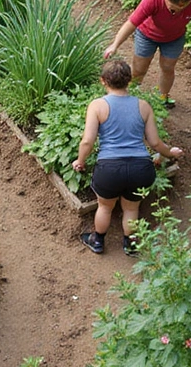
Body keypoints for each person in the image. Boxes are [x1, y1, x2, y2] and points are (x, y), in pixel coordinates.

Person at [72, 59, 184, 255]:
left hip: (109, 169)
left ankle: (97, 241)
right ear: (129, 80)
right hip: (141, 169)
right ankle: (131, 244)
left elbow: (87, 142)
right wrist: (171, 153)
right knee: (132, 208)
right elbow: (155, 143)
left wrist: (80, 161)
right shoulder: (143, 106)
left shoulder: (97, 106)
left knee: (105, 207)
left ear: (103, 81)